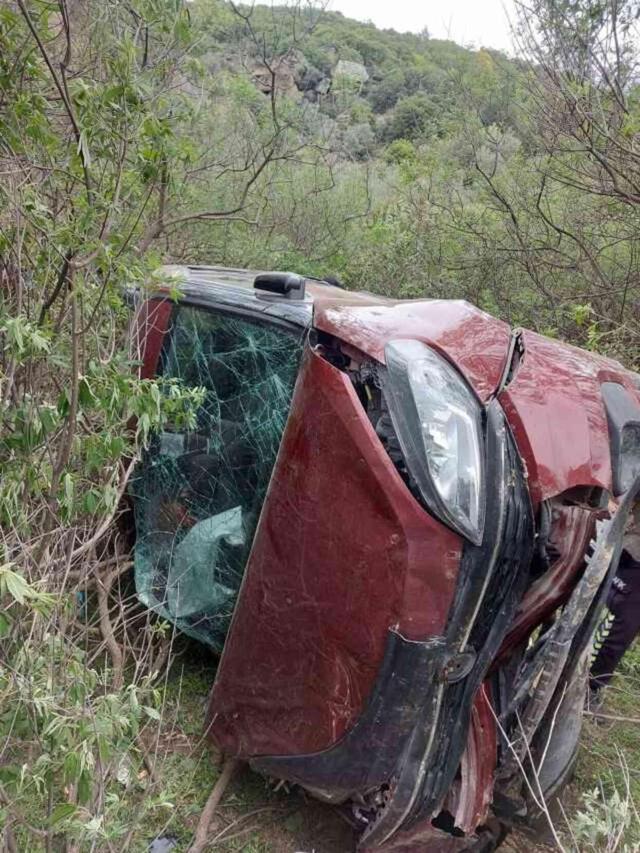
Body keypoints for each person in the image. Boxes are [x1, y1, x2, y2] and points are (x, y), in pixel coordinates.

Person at [589, 501, 640, 698]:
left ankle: (591, 685)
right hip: (628, 548)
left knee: (623, 622)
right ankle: (587, 683)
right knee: (614, 615)